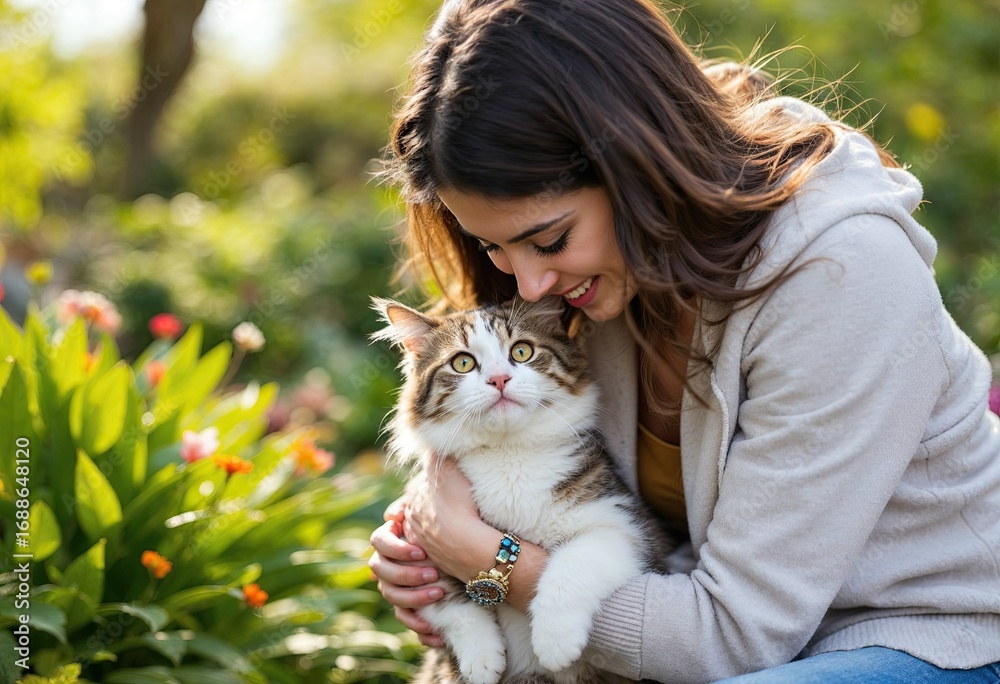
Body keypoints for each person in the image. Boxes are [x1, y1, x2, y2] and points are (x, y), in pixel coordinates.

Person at [367, 0, 1000, 681]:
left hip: (922, 640)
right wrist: (449, 573)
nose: (527, 285)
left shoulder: (846, 273)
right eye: (494, 248)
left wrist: (491, 563)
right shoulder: (604, 285)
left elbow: (733, 637)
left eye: (547, 239)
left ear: (636, 168)